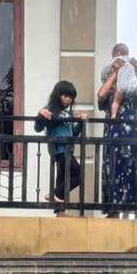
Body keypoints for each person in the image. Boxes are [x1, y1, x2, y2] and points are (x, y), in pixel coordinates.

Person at [97, 43, 137, 215]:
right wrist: (115, 72)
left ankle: (135, 207)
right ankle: (114, 208)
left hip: (134, 130)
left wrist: (133, 70)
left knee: (136, 165)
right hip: (115, 131)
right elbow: (101, 96)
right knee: (114, 167)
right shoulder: (111, 86)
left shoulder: (130, 83)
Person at [34, 80, 88, 210]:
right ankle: (55, 194)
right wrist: (40, 115)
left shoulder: (66, 113)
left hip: (67, 149)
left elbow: (73, 133)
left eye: (71, 97)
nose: (69, 99)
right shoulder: (50, 109)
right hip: (60, 150)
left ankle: (59, 210)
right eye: (66, 96)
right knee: (79, 175)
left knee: (63, 180)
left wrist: (80, 122)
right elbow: (38, 128)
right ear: (58, 95)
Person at [107, 43, 137, 119]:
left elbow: (109, 70)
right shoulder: (131, 60)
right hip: (132, 85)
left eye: (113, 55)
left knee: (116, 102)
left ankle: (113, 115)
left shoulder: (117, 61)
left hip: (121, 86)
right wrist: (136, 65)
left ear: (118, 53)